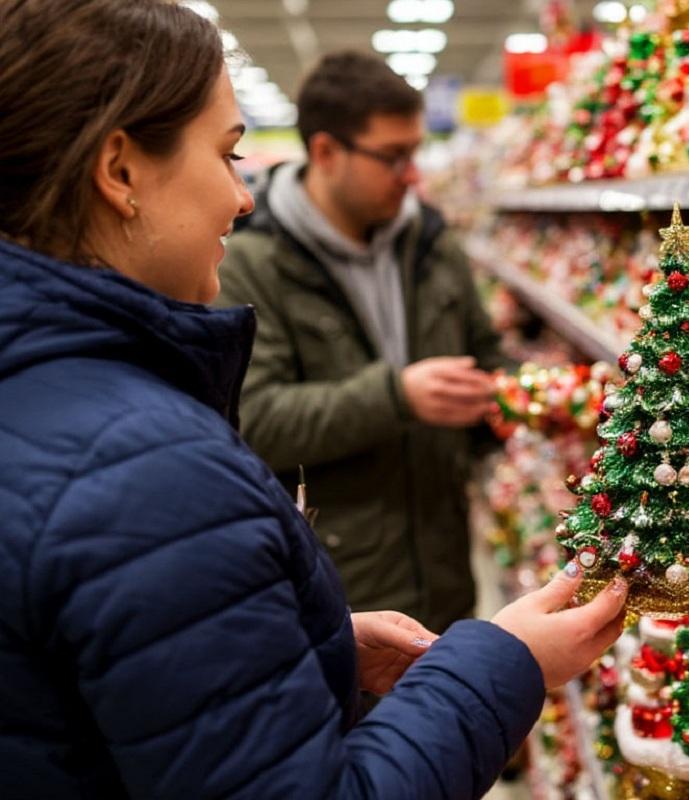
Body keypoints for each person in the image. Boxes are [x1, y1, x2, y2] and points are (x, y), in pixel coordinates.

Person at [0, 2, 626, 797]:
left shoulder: (50, 394)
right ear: (120, 171)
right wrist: (506, 664)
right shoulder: (147, 470)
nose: (243, 196)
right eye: (227, 155)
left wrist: (313, 645)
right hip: (362, 552)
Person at [217, 51, 501, 632]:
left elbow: (487, 354)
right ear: (326, 152)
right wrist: (397, 398)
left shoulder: (432, 243)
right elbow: (256, 419)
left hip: (446, 572)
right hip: (341, 594)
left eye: (415, 153)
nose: (413, 175)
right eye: (393, 157)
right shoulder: (248, 266)